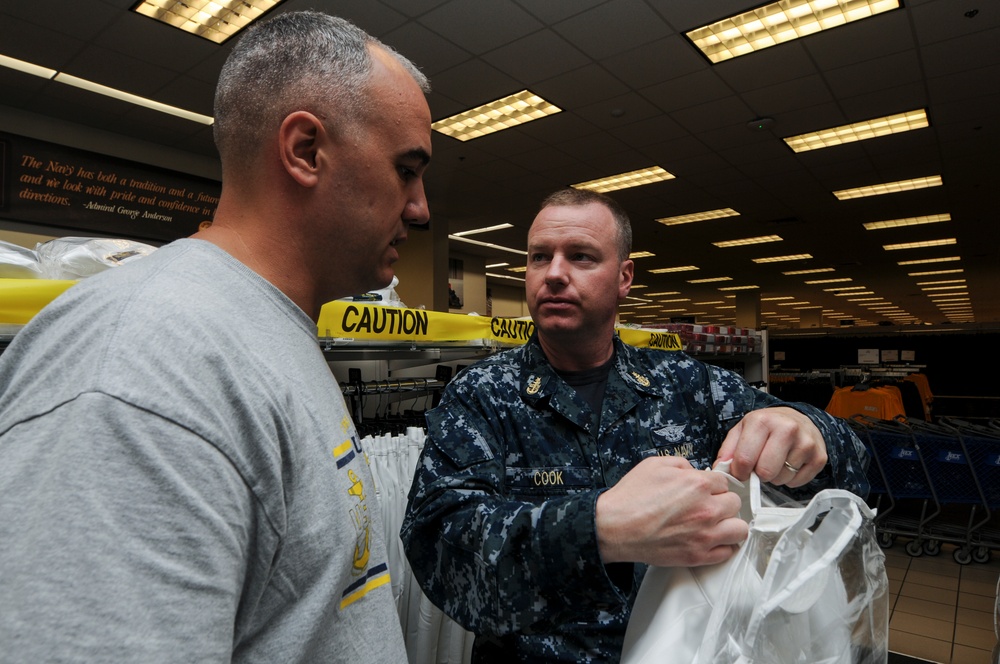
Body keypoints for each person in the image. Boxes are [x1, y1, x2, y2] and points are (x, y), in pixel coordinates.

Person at [0, 11, 431, 663]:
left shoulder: (258, 331)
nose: (422, 207)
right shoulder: (149, 360)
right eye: (407, 169)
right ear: (306, 151)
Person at [401, 188, 870, 662]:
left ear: (625, 277)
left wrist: (807, 428)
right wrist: (601, 529)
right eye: (539, 257)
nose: (555, 274)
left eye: (581, 257)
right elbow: (436, 548)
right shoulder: (482, 395)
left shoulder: (688, 385)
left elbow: (853, 469)